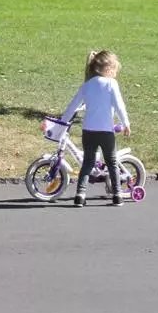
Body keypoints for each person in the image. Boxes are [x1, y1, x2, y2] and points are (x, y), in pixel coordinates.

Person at [60, 50, 132, 207]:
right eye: (115, 70)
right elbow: (119, 106)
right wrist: (126, 123)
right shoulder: (111, 84)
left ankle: (80, 195)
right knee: (112, 163)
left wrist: (63, 122)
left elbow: (73, 106)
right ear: (108, 68)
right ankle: (117, 195)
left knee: (87, 163)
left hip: (88, 131)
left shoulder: (87, 85)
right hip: (106, 131)